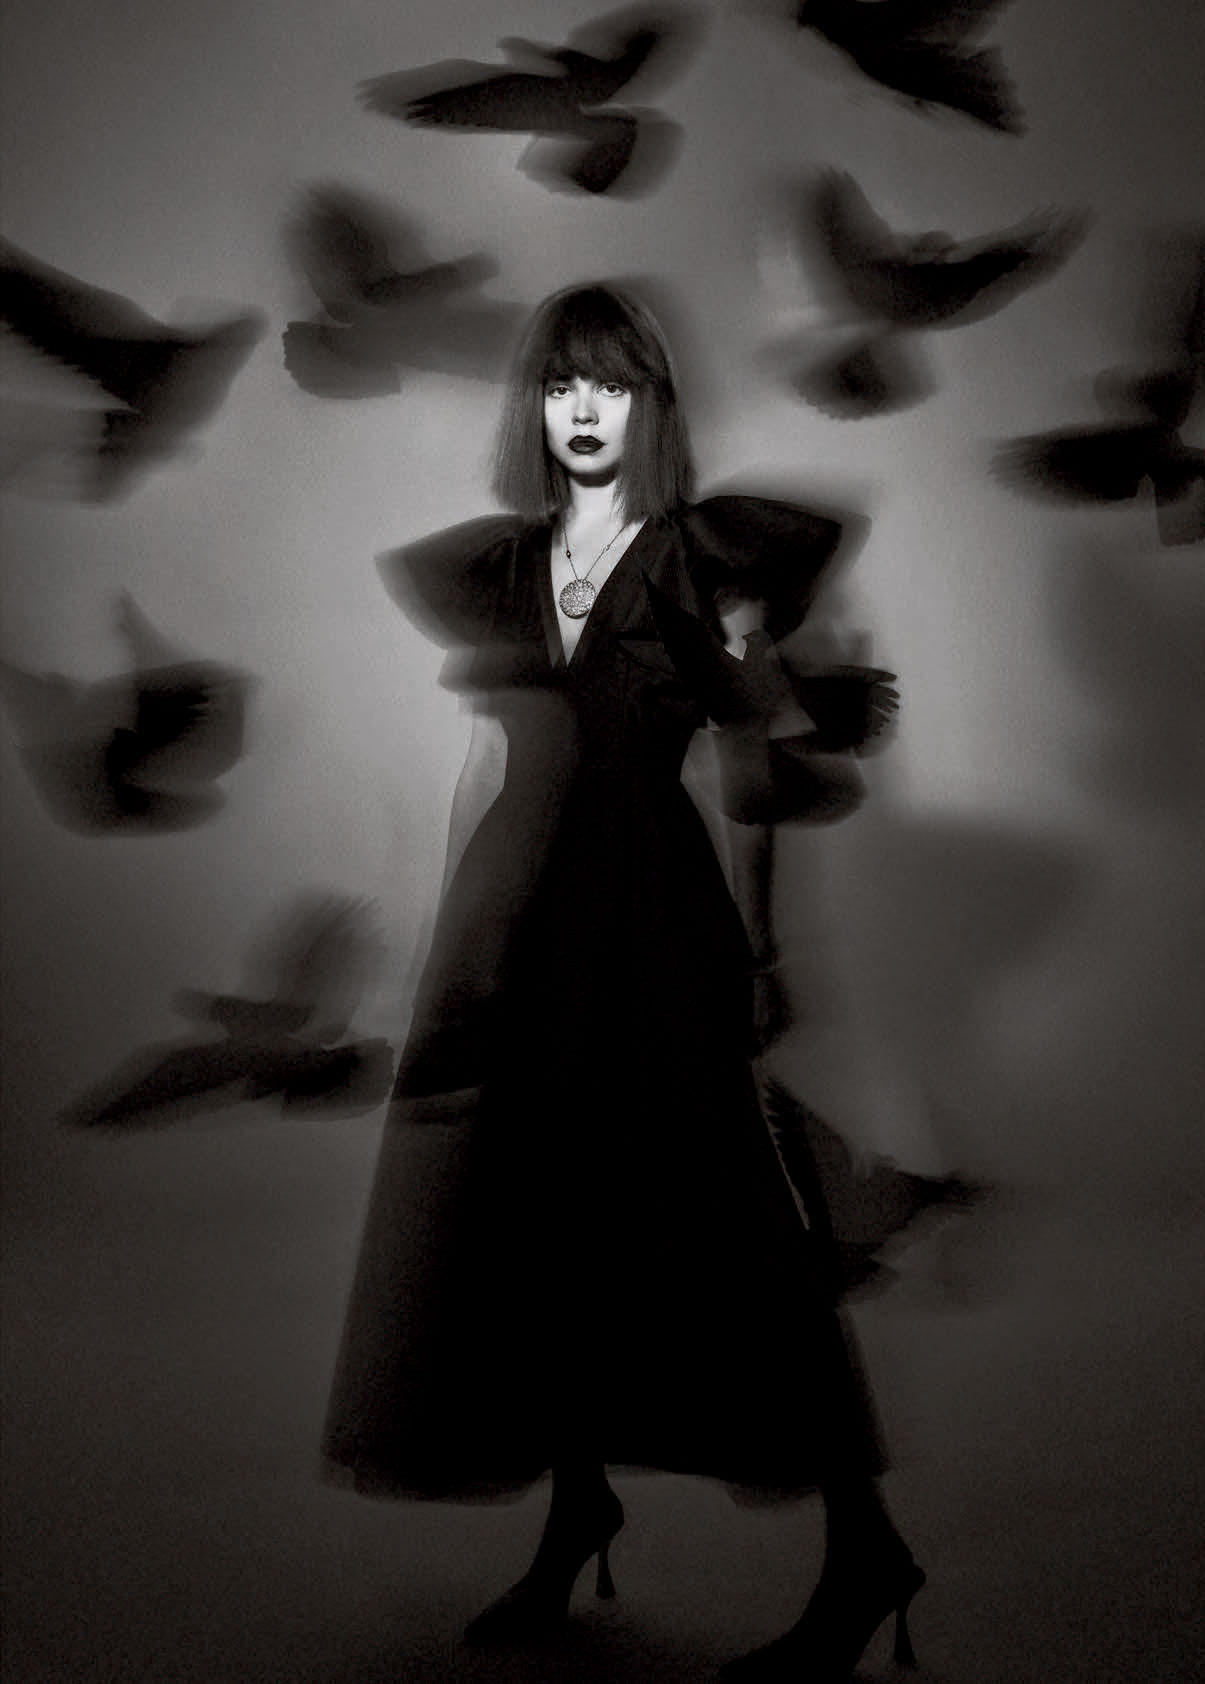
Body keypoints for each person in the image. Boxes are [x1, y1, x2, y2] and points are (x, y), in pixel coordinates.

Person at [322, 282, 923, 1679]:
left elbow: (753, 760)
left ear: (654, 403)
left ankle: (865, 1548)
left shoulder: (701, 555)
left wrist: (764, 948)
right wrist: (460, 947)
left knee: (739, 1241)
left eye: (612, 383)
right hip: (527, 920)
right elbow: (494, 765)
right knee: (541, 1219)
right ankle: (576, 1505)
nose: (583, 409)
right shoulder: (503, 566)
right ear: (533, 406)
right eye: (559, 384)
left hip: (653, 919)